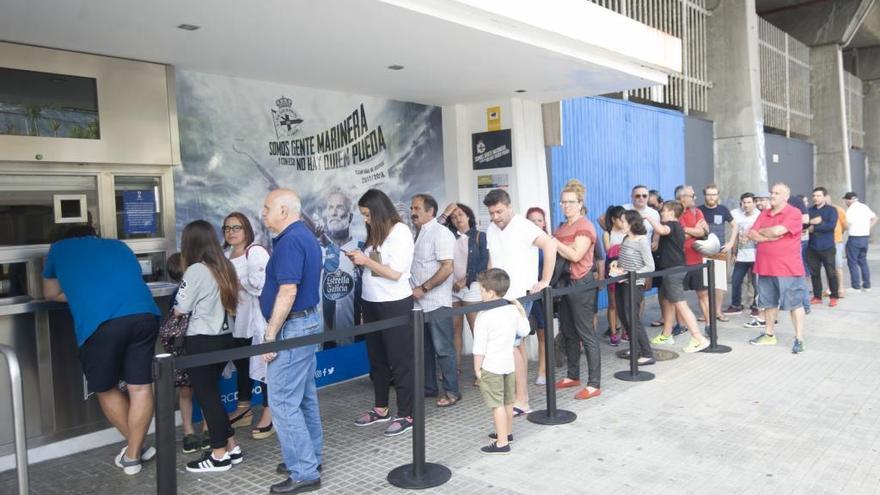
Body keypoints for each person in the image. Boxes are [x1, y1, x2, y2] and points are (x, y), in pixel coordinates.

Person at [42, 225, 161, 475]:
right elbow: (131, 278)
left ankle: (132, 455)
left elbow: (50, 293)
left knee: (104, 388)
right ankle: (136, 448)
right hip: (144, 315)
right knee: (140, 387)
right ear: (94, 233)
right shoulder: (118, 245)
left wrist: (81, 295)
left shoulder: (59, 249)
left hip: (101, 323)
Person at [259, 189, 324, 493]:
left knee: (283, 402)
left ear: (283, 211)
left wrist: (270, 336)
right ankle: (310, 458)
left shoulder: (289, 241)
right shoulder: (305, 236)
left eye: (267, 207)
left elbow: (288, 291)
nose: (263, 212)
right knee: (304, 397)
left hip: (292, 328)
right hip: (306, 324)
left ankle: (304, 472)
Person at [175, 220, 243, 473]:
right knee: (212, 395)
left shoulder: (195, 270)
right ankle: (232, 447)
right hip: (226, 338)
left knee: (208, 398)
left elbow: (181, 309)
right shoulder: (225, 265)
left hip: (202, 339)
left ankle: (218, 455)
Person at [483, 188, 557, 416]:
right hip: (500, 296)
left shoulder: (523, 226)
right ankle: (521, 397)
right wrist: (488, 289)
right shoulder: (491, 229)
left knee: (512, 346)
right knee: (517, 347)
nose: (495, 217)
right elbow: (492, 262)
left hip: (520, 295)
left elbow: (550, 244)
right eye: (492, 213)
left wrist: (545, 280)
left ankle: (522, 400)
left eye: (499, 211)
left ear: (509, 207)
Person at [348, 189, 416, 436]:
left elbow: (395, 273)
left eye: (367, 214)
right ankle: (380, 408)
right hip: (371, 301)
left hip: (394, 302)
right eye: (362, 215)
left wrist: (366, 261)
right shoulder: (375, 232)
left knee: (400, 361)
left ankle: (408, 413)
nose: (365, 219)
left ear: (378, 211)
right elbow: (373, 269)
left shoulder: (400, 232)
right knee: (377, 360)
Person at [222, 212, 274, 439]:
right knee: (242, 363)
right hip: (234, 319)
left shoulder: (256, 252)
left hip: (256, 319)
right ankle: (243, 408)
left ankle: (269, 412)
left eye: (236, 227)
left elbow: (261, 285)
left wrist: (234, 282)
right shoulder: (224, 254)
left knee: (263, 366)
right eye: (227, 228)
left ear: (246, 230)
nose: (231, 232)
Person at [472, 268, 531, 455]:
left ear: (490, 292)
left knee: (496, 404)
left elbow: (479, 348)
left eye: (481, 290)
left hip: (491, 366)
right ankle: (507, 432)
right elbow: (524, 331)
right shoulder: (512, 310)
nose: (480, 294)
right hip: (508, 365)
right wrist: (521, 310)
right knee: (508, 401)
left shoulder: (483, 316)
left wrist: (477, 369)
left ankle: (501, 442)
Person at [553, 179, 602, 401]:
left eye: (571, 202)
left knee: (586, 334)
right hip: (563, 284)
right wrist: (564, 245)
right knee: (568, 332)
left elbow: (575, 255)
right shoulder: (562, 227)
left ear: (580, 203)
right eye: (563, 202)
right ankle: (573, 375)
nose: (566, 206)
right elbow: (567, 251)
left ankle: (594, 384)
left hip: (581, 283)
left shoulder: (585, 226)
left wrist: (555, 243)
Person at [410, 194, 459, 406]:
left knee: (443, 350)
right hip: (417, 305)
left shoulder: (441, 233)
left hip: (436, 302)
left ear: (430, 212)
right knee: (424, 350)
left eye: (417, 208)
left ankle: (452, 392)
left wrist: (424, 287)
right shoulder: (419, 233)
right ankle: (429, 388)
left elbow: (447, 267)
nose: (413, 212)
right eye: (412, 208)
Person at [747, 183, 807, 353]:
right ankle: (769, 334)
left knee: (795, 303)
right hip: (765, 266)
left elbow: (778, 230)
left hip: (788, 268)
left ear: (785, 197)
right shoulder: (764, 213)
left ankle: (799, 338)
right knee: (768, 303)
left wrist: (764, 233)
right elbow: (751, 233)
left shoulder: (793, 213)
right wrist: (768, 237)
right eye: (771, 192)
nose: (772, 195)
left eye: (776, 193)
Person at [645, 201, 710, 353]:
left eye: (664, 211)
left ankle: (698, 338)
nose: (661, 213)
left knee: (681, 304)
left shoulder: (672, 226)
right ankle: (667, 335)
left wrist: (648, 217)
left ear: (672, 213)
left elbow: (661, 229)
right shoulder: (679, 228)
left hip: (673, 271)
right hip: (671, 270)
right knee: (670, 301)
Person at [159, 252, 206, 454]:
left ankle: (190, 431)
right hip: (194, 344)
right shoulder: (187, 293)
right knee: (204, 389)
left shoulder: (177, 294)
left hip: (183, 347)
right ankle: (205, 428)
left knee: (187, 391)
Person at [438, 202, 488, 378]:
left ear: (468, 216)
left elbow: (483, 262)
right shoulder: (448, 235)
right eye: (454, 216)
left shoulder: (479, 236)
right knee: (454, 329)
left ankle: (481, 371)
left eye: (460, 214)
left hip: (471, 287)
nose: (457, 218)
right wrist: (445, 213)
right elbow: (434, 228)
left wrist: (466, 279)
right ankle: (454, 369)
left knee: (477, 329)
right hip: (450, 288)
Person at [609, 210, 656, 365]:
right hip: (622, 283)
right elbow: (626, 260)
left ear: (631, 223)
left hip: (634, 285)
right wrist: (617, 264)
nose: (620, 224)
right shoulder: (625, 238)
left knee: (632, 319)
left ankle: (647, 353)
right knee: (623, 317)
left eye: (623, 221)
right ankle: (635, 349)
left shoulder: (642, 241)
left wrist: (632, 273)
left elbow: (650, 266)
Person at [319, 191, 362, 341]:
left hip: (357, 334)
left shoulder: (364, 249)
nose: (334, 213)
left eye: (340, 207)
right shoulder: (318, 251)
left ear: (350, 217)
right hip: (324, 339)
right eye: (330, 208)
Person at [698, 184, 736, 321]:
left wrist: (731, 243)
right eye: (709, 194)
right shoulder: (699, 210)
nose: (711, 197)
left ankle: (718, 312)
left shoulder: (723, 209)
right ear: (705, 195)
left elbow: (735, 225)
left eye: (714, 194)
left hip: (720, 251)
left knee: (719, 283)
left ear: (718, 195)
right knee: (705, 284)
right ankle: (706, 313)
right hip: (704, 251)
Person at [724, 193, 760, 316]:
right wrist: (734, 252)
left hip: (756, 255)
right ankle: (736, 305)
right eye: (744, 202)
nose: (746, 205)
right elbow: (734, 235)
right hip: (741, 255)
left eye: (749, 202)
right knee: (736, 280)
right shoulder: (735, 214)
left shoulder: (760, 215)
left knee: (756, 282)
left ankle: (756, 306)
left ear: (754, 203)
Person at [525, 207, 549, 384]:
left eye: (539, 220)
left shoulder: (547, 243)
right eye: (532, 220)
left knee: (543, 332)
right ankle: (521, 374)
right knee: (520, 334)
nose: (536, 223)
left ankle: (543, 371)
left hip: (541, 293)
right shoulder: (521, 242)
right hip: (523, 292)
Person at [806, 187, 840, 307]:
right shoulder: (809, 210)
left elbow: (831, 226)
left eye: (818, 196)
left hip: (827, 247)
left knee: (831, 273)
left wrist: (816, 225)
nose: (815, 198)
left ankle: (834, 296)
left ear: (824, 197)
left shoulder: (832, 210)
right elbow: (804, 226)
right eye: (814, 196)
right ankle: (817, 296)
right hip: (812, 247)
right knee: (814, 273)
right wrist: (810, 225)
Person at [602, 205, 627, 344]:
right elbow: (608, 250)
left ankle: (625, 331)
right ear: (613, 219)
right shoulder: (607, 233)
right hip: (612, 270)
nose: (623, 222)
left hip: (626, 269)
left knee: (624, 302)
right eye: (620, 219)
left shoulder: (628, 230)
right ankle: (613, 332)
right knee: (612, 303)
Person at [843, 192, 877, 291]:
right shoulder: (864, 207)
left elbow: (846, 224)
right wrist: (868, 228)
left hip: (854, 238)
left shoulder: (850, 210)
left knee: (852, 262)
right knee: (863, 261)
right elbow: (875, 217)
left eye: (846, 200)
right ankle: (867, 285)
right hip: (865, 238)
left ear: (849, 200)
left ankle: (856, 286)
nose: (845, 202)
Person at [830, 202, 848, 298]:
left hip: (836, 241)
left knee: (838, 266)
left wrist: (840, 232)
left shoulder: (838, 209)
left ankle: (841, 288)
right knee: (829, 267)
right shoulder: (817, 210)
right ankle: (830, 289)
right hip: (825, 243)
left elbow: (845, 225)